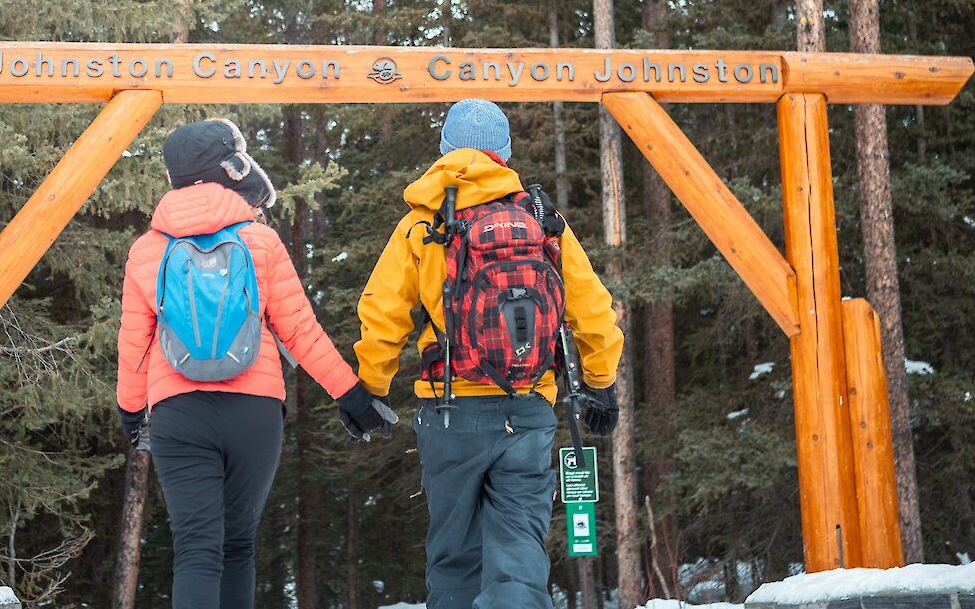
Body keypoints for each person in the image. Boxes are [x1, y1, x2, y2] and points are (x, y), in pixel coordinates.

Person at [350, 98, 625, 609]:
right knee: (519, 547)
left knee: (455, 557)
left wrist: (370, 390)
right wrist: (601, 385)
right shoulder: (541, 219)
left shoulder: (422, 223)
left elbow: (383, 312)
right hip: (528, 407)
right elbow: (592, 309)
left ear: (444, 150)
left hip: (449, 408)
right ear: (506, 153)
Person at [117, 117, 392, 609]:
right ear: (226, 171)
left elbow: (133, 345)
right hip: (255, 410)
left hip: (178, 411)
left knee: (196, 549)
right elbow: (300, 330)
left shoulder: (145, 251)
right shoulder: (259, 241)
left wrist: (132, 411)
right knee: (238, 545)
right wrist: (352, 397)